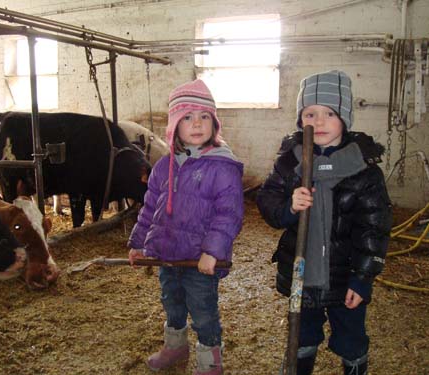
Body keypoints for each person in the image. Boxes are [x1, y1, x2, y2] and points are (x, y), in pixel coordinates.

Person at [257, 70, 392, 375]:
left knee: (351, 338)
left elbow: (375, 228)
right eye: (310, 113)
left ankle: (355, 367)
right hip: (301, 276)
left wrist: (362, 278)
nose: (318, 121)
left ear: (345, 118)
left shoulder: (363, 169)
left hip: (345, 279)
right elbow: (267, 200)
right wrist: (290, 207)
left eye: (329, 113)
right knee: (301, 334)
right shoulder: (290, 161)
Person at [128, 79, 244, 375]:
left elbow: (228, 214)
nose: (197, 124)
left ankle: (210, 362)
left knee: (203, 312)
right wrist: (139, 244)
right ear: (174, 125)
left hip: (199, 261)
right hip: (167, 256)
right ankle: (176, 347)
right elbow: (150, 208)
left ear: (214, 123)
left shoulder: (223, 167)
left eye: (204, 117)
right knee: (173, 304)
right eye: (188, 117)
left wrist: (212, 251)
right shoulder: (163, 166)